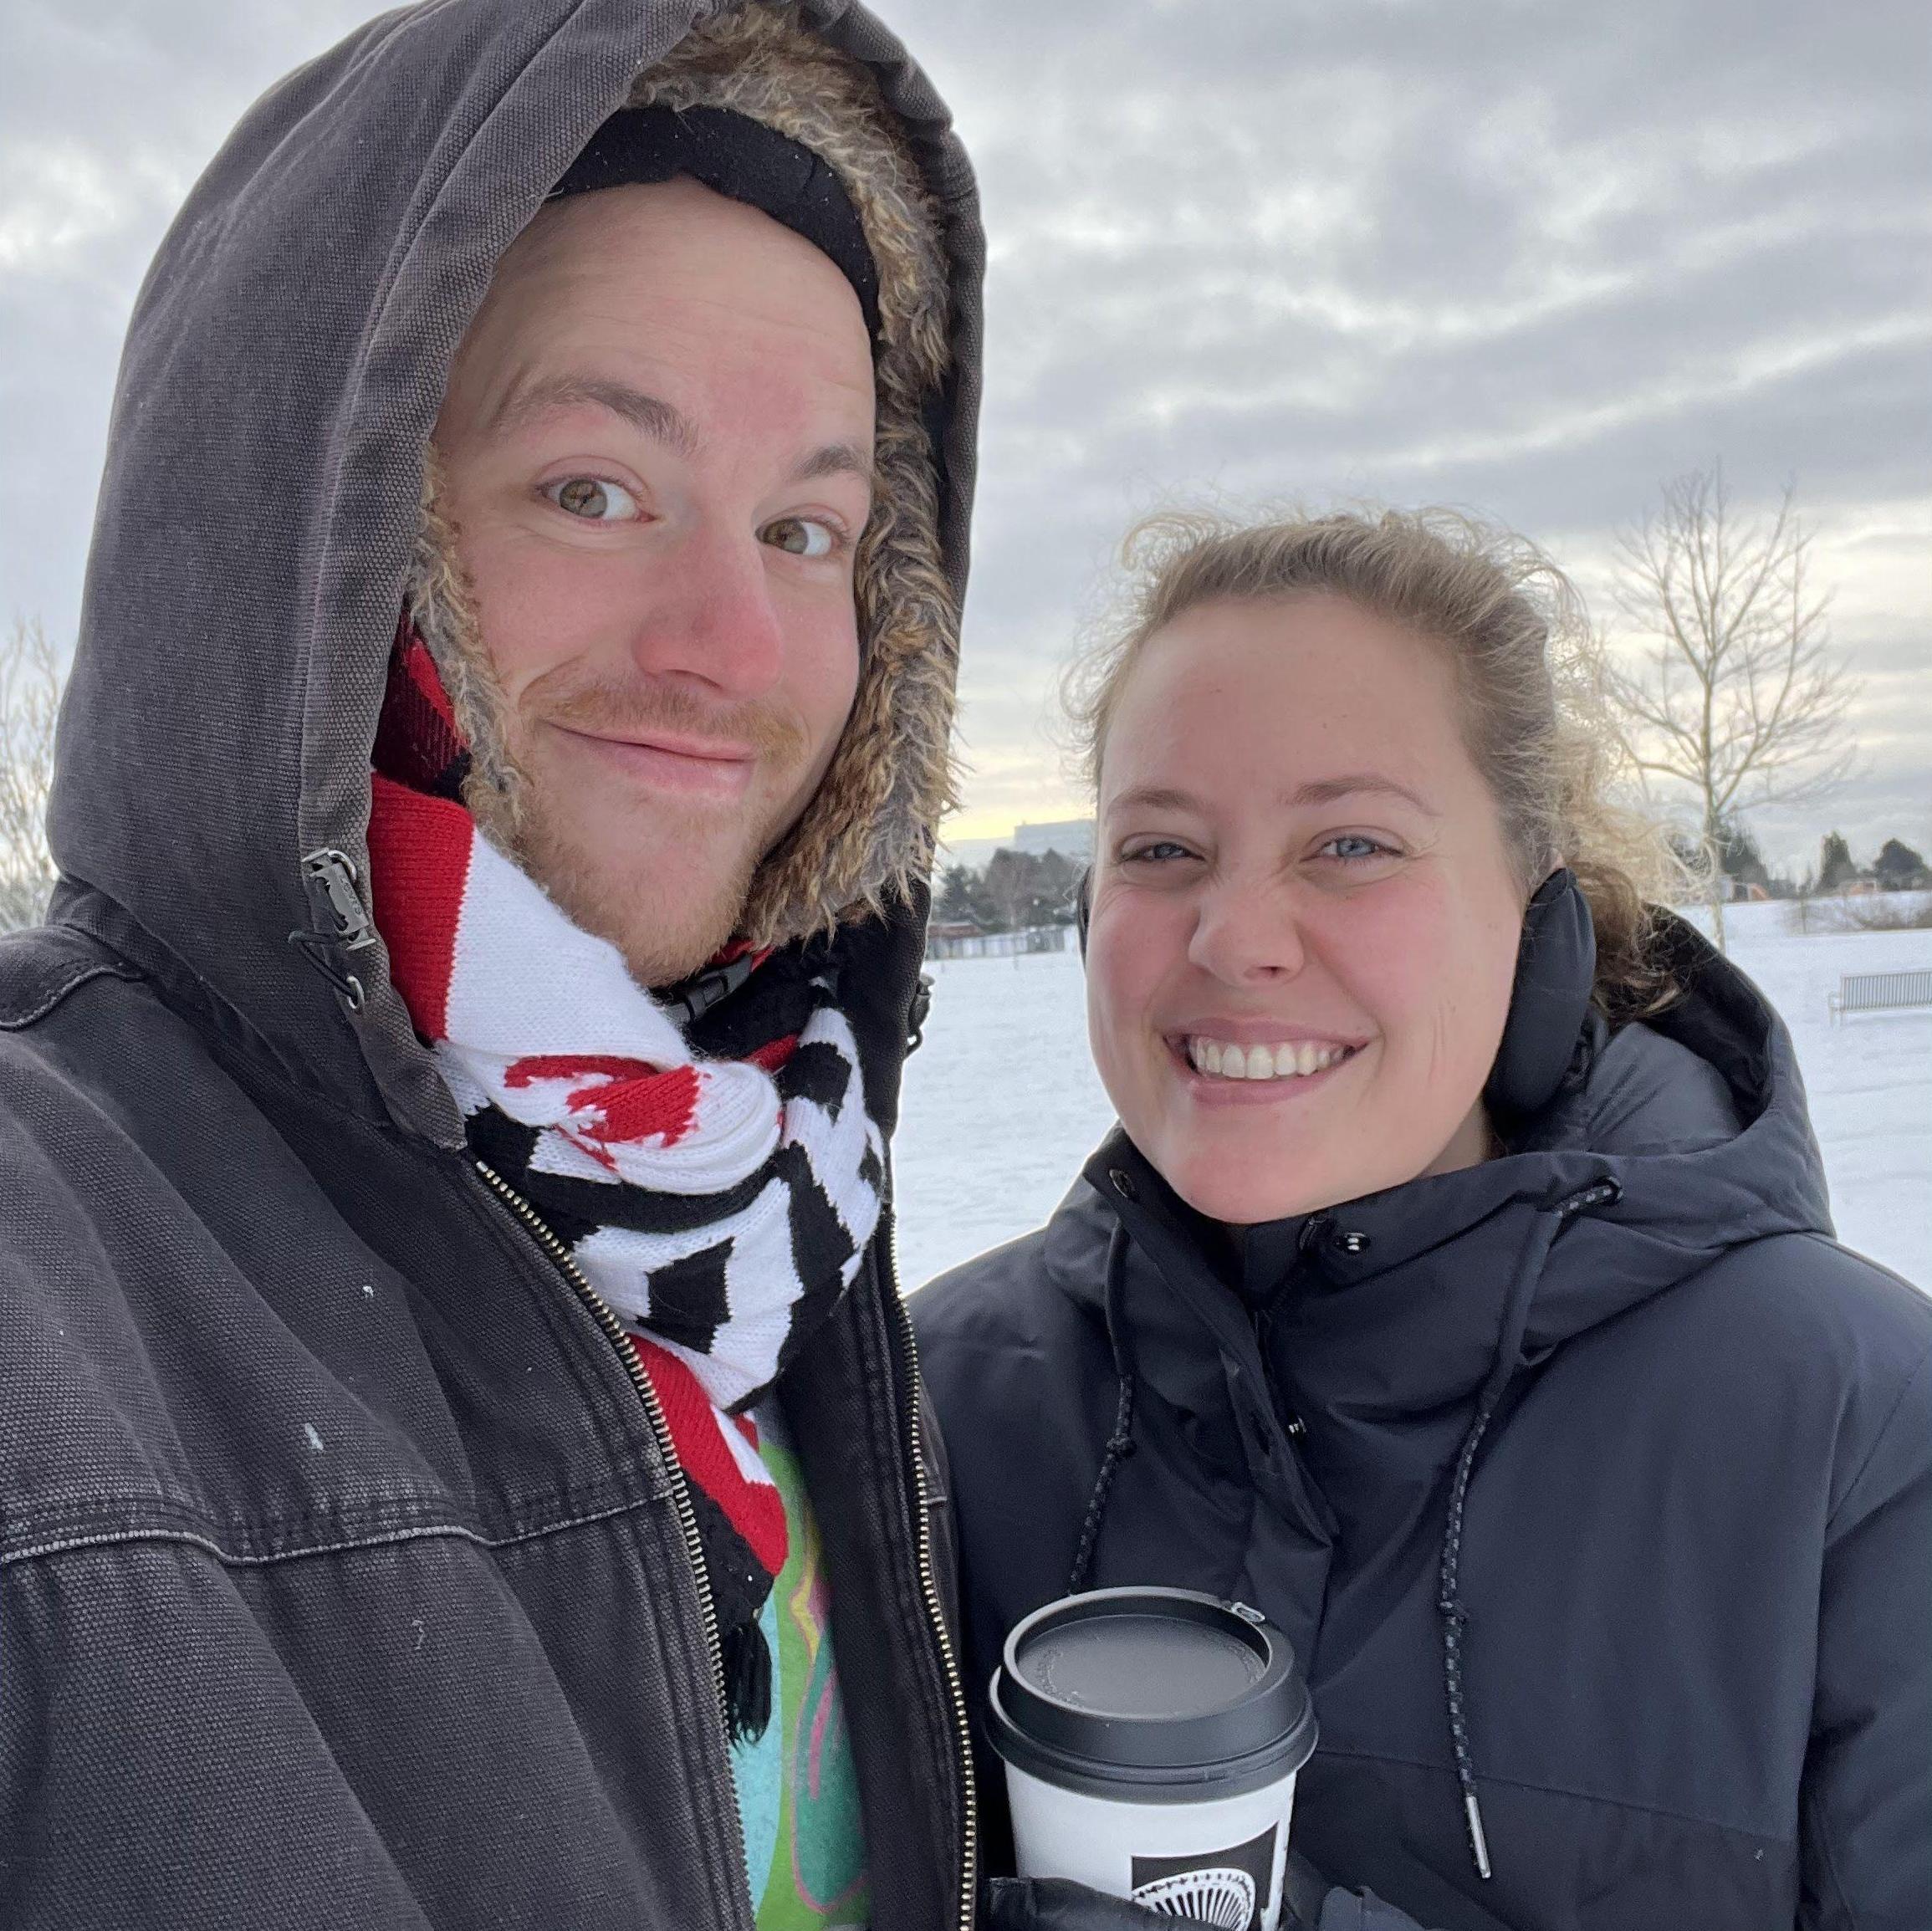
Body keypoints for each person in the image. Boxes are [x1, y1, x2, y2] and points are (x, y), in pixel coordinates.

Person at [0, 4, 986, 1926]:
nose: (732, 642)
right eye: (594, 488)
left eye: (807, 528)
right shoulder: (49, 1249)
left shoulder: (781, 1193)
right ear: (336, 537)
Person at [914, 509, 1932, 1931]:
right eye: (1160, 848)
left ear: (1539, 923)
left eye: (1346, 842)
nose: (1233, 936)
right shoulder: (926, 1400)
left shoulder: (1857, 1432)